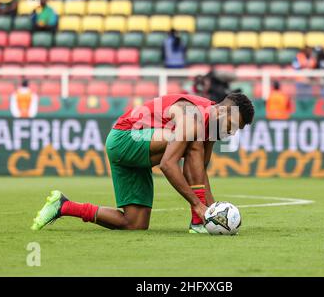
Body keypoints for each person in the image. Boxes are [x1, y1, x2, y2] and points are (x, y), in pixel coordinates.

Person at [31, 93, 254, 233]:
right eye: (233, 124)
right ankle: (196, 222)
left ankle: (64, 206)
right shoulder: (194, 116)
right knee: (190, 140)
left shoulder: (210, 127)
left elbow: (198, 173)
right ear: (223, 110)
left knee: (134, 223)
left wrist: (214, 214)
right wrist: (199, 207)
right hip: (124, 138)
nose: (232, 132)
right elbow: (168, 164)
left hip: (137, 152)